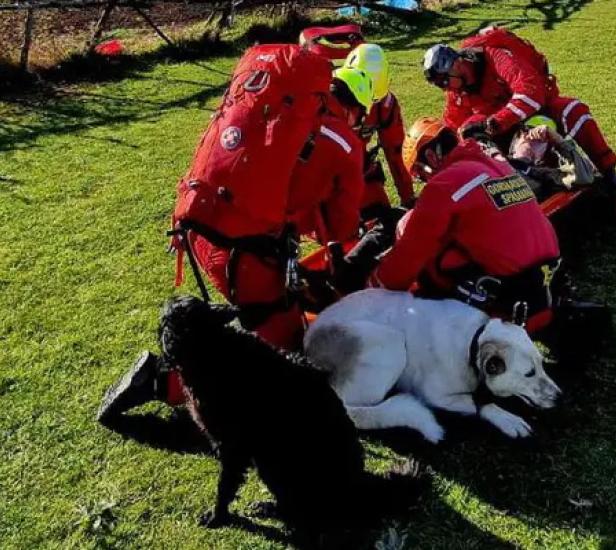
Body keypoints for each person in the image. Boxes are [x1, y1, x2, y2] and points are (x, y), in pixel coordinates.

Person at [97, 64, 372, 422]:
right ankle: (161, 382)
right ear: (354, 109)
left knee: (257, 326)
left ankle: (186, 366)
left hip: (199, 229)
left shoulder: (274, 111)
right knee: (282, 354)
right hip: (245, 256)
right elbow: (341, 226)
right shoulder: (344, 143)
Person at [364, 116, 562, 332]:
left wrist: (373, 292)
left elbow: (409, 255)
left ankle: (455, 321)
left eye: (420, 175)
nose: (424, 182)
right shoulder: (497, 166)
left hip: (509, 307)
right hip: (549, 284)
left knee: (421, 239)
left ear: (430, 156)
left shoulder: (445, 184)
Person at [422, 26, 616, 218]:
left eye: (444, 80)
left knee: (574, 111)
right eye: (440, 84)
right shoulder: (456, 89)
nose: (445, 88)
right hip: (506, 131)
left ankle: (615, 184)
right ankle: (506, 187)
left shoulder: (497, 57)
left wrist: (494, 123)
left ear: (457, 63)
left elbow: (531, 91)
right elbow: (453, 124)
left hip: (537, 114)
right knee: (468, 131)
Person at [343, 43, 416, 220]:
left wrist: (408, 200)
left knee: (383, 217)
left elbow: (396, 153)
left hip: (360, 170)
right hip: (326, 177)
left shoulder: (385, 106)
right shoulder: (327, 100)